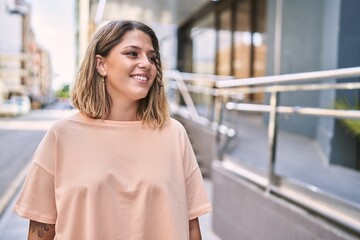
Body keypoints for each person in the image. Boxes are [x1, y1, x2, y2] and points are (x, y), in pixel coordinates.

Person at [13, 20, 212, 240]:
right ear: (101, 64)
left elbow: (192, 227)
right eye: (132, 53)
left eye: (152, 57)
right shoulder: (61, 135)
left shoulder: (175, 134)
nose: (146, 63)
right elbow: (42, 229)